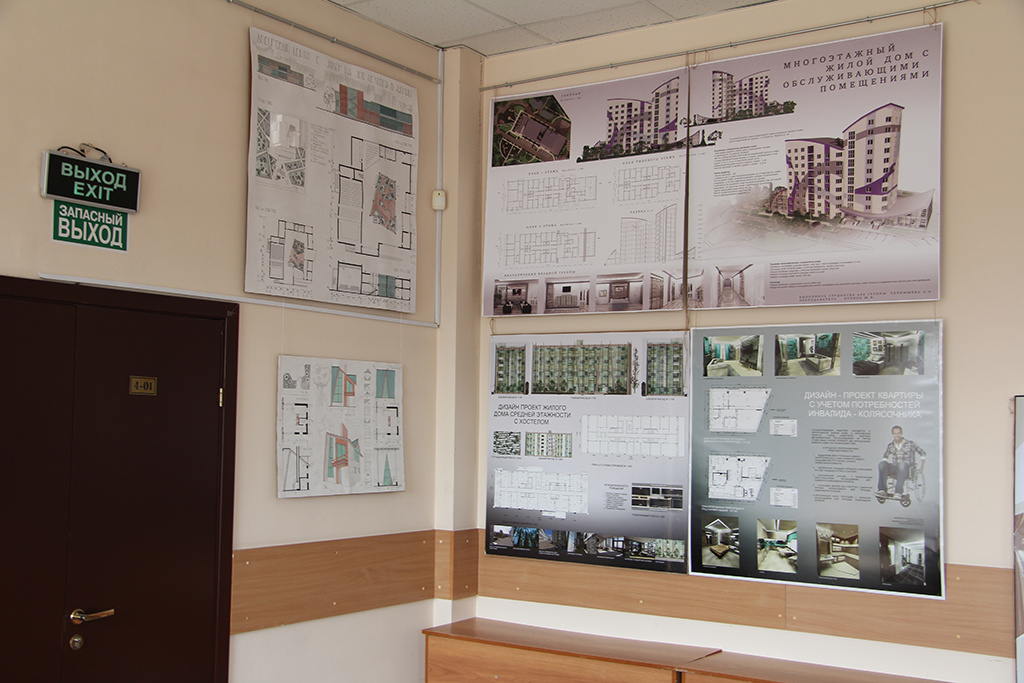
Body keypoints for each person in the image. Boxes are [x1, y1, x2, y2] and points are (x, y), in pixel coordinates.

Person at [876, 425, 926, 501]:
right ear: (892, 434)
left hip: (907, 469)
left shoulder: (910, 443)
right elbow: (885, 457)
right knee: (882, 464)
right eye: (895, 433)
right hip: (895, 468)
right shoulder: (891, 445)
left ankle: (898, 493)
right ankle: (882, 491)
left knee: (902, 464)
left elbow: (922, 453)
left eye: (898, 433)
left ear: (901, 433)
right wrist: (884, 465)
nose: (897, 435)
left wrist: (922, 467)